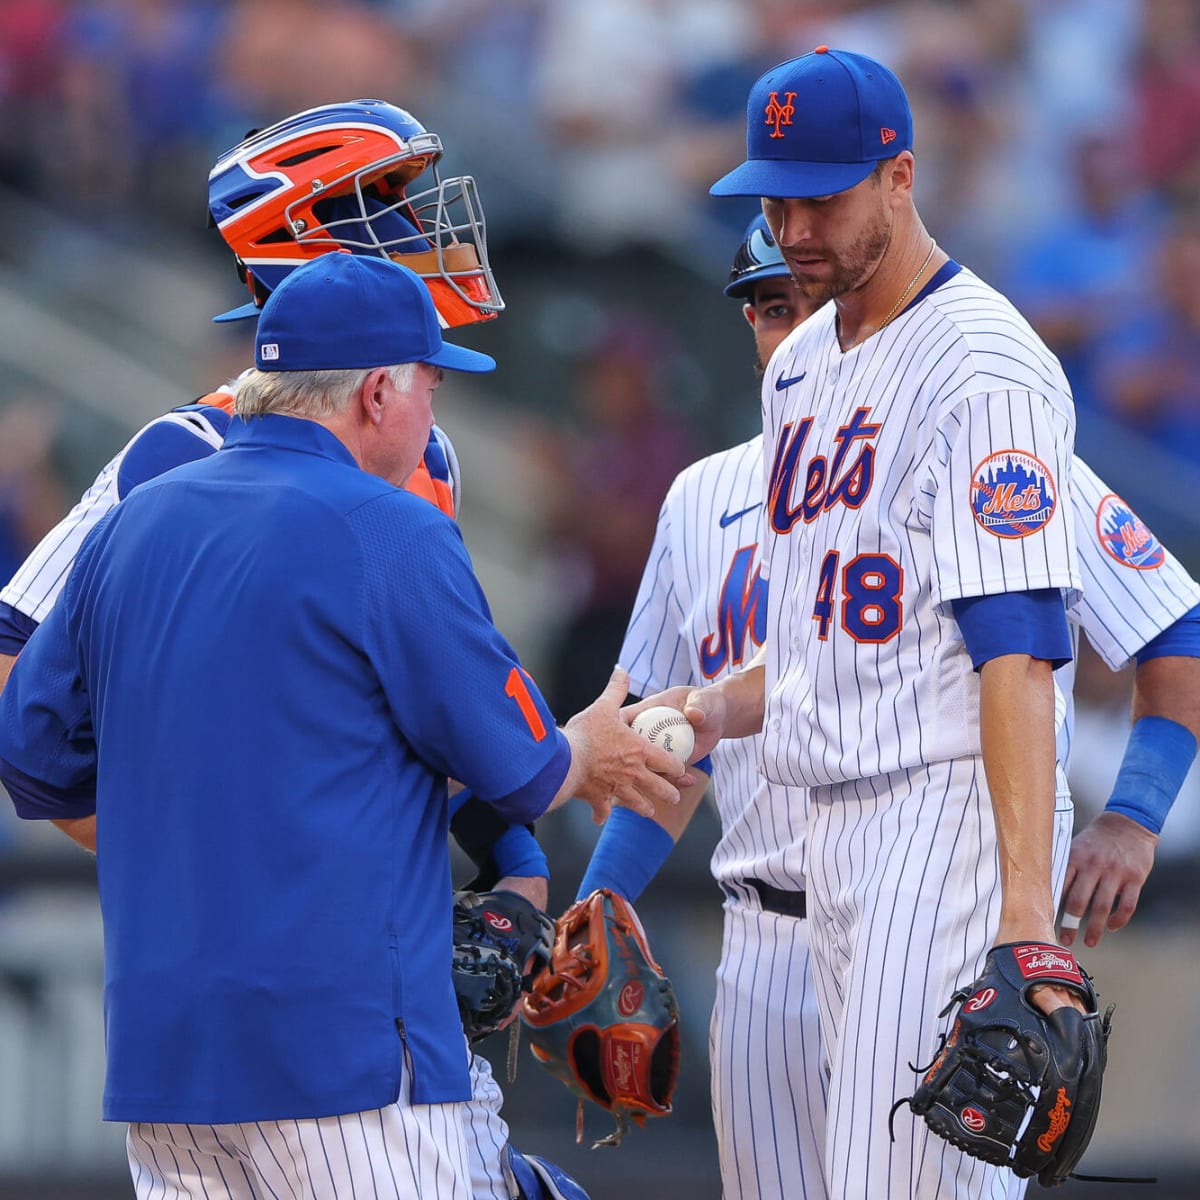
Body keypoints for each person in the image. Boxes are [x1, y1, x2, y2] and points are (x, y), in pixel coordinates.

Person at [0, 100, 591, 1200]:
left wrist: (508, 871)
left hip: (246, 1017)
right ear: (307, 243)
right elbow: (10, 655)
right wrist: (217, 854)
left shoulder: (427, 445)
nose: (423, 232)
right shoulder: (180, 448)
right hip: (315, 1005)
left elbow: (405, 725)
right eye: (387, 211)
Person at [579, 208, 1200, 1199]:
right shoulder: (699, 499)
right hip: (762, 932)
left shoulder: (967, 430)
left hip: (925, 904)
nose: (789, 330)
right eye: (766, 308)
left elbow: (1176, 625)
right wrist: (601, 898)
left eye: (803, 304)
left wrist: (1133, 815)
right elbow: (665, 734)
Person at [624, 46, 1084, 1199]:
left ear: (900, 174)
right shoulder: (799, 374)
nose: (792, 227)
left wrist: (1026, 922)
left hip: (937, 815)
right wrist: (721, 702)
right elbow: (829, 630)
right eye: (774, 198)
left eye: (821, 196)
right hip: (825, 830)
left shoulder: (983, 368)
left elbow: (1019, 652)